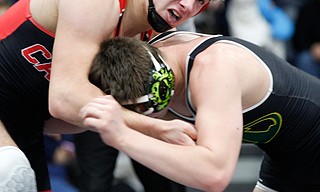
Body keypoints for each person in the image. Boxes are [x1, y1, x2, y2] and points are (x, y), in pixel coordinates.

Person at [0, 0, 227, 191]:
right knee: (10, 170)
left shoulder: (152, 38)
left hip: (24, 121)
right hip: (12, 111)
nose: (188, 6)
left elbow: (64, 116)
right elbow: (64, 100)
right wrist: (156, 129)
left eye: (200, 1)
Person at [82, 31, 320, 192]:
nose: (157, 113)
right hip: (286, 157)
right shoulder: (146, 59)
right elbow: (66, 111)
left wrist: (123, 136)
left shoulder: (215, 67)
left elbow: (214, 174)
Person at [75, 0, 195, 191]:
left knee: (165, 185)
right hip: (97, 95)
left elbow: (184, 49)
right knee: (94, 184)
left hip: (151, 101)